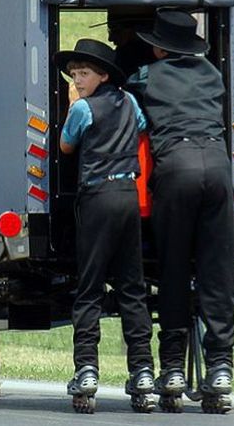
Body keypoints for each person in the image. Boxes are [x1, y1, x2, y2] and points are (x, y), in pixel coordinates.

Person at [129, 8, 234, 414]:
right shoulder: (213, 73)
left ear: (158, 47)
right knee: (217, 267)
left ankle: (173, 366)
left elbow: (124, 99)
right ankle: (221, 366)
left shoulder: (146, 75)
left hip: (176, 168)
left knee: (173, 266)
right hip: (218, 164)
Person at [55, 38, 156, 414]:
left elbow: (66, 147)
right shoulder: (129, 101)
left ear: (102, 75)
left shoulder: (82, 108)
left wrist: (71, 109)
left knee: (90, 287)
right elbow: (142, 126)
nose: (77, 80)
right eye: (74, 75)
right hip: (129, 195)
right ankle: (143, 371)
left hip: (97, 198)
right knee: (132, 287)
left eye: (83, 74)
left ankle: (86, 370)